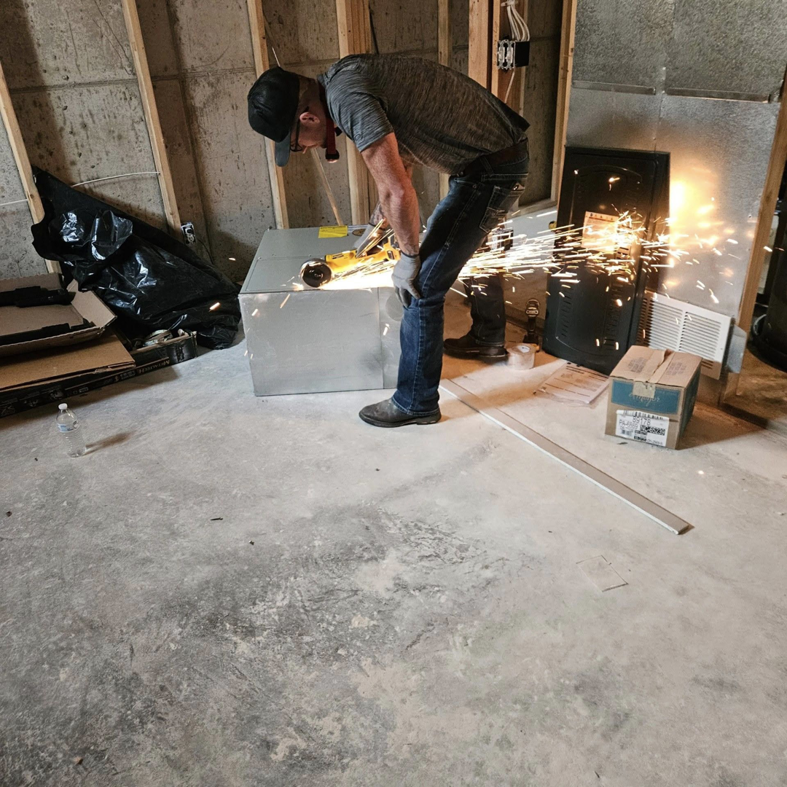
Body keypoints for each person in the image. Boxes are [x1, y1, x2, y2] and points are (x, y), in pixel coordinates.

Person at [248, 54, 529, 427]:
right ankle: (487, 336)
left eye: (297, 144)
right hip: (491, 158)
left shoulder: (347, 100)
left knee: (422, 285)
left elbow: (397, 191)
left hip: (491, 170)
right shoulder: (342, 78)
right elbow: (401, 147)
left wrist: (410, 258)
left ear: (309, 119)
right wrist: (383, 217)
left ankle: (416, 402)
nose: (305, 149)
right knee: (458, 248)